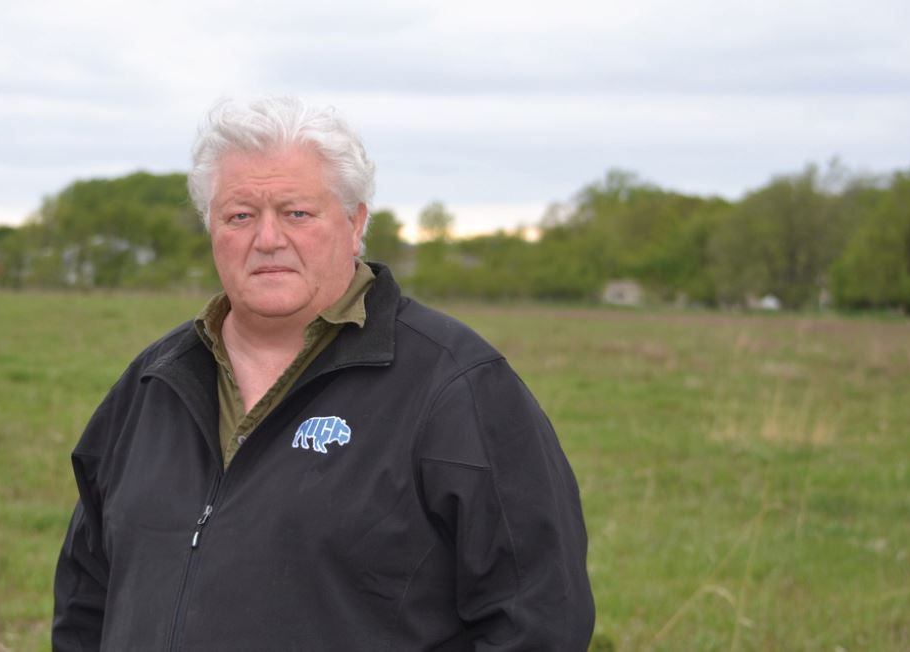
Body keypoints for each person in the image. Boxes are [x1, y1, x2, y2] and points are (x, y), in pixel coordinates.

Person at [53, 96, 594, 651]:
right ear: (211, 228)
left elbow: (537, 621)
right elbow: (85, 601)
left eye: (297, 213)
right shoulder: (153, 383)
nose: (267, 240)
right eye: (240, 215)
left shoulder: (458, 386)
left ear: (355, 222)